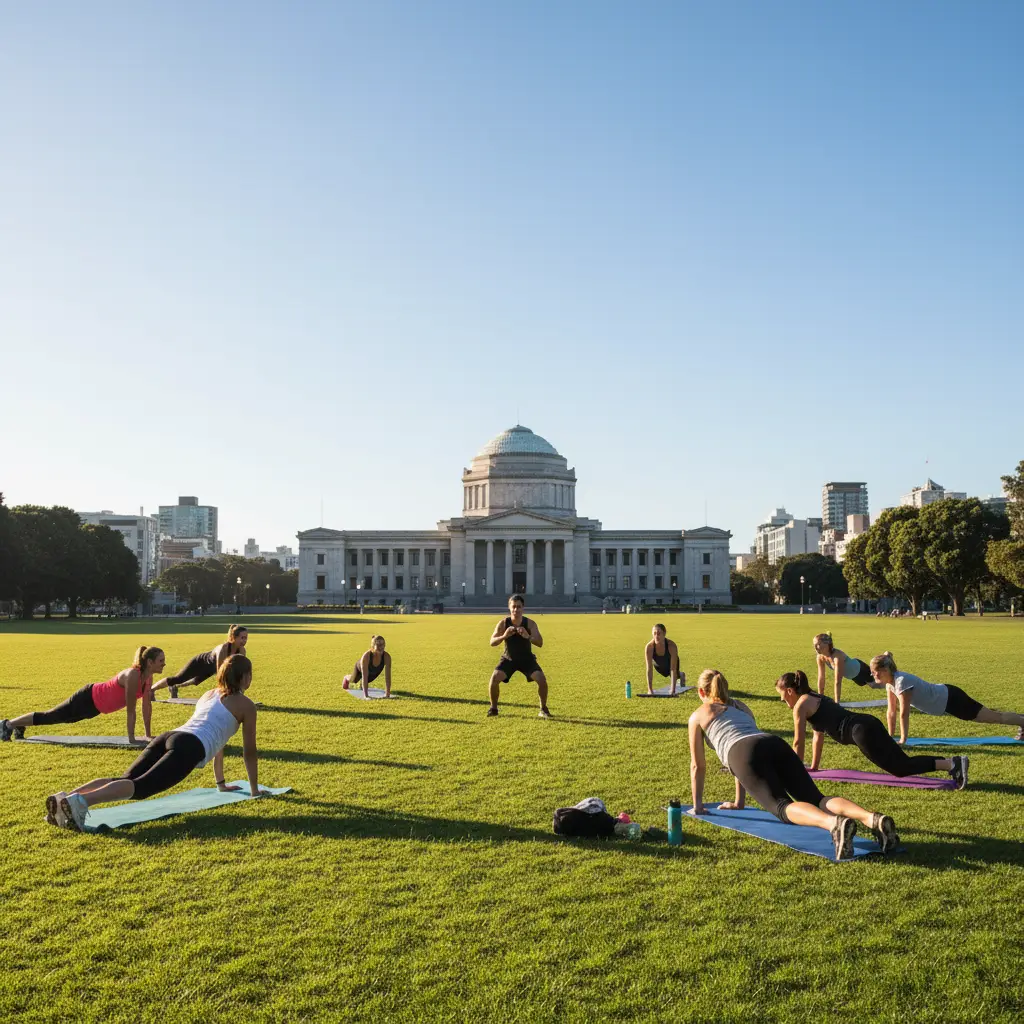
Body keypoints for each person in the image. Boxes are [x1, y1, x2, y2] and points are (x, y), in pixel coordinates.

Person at [688, 669, 899, 859]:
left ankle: (833, 824)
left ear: (701, 692)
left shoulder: (698, 715)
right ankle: (872, 819)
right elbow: (747, 744)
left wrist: (697, 806)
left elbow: (698, 765)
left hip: (743, 752)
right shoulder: (741, 707)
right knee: (817, 798)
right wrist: (738, 803)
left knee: (781, 807)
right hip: (773, 742)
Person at [46, 654, 269, 831]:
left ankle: (63, 800)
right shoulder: (246, 706)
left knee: (126, 780)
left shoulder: (209, 694)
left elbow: (219, 738)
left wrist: (220, 783)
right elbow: (249, 752)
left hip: (170, 736)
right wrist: (254, 790)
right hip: (189, 747)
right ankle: (79, 803)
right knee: (140, 788)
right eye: (250, 675)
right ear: (244, 677)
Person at [777, 670, 967, 789]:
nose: (781, 700)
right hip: (867, 723)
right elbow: (817, 735)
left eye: (782, 695)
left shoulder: (801, 706)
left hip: (861, 731)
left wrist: (795, 774)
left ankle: (952, 764)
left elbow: (798, 741)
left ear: (790, 691)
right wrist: (814, 767)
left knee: (900, 768)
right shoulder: (813, 696)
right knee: (903, 762)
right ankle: (952, 763)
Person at [2, 646, 164, 745]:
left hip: (96, 708)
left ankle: (18, 725)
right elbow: (131, 710)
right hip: (88, 697)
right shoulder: (133, 676)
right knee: (53, 716)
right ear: (150, 662)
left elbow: (146, 706)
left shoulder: (148, 678)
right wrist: (132, 738)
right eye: (161, 660)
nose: (164, 663)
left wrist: (148, 734)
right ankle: (8, 724)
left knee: (63, 719)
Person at [870, 652, 1024, 744]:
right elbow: (891, 712)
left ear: (885, 670)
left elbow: (903, 713)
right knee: (991, 715)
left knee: (993, 718)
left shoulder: (902, 681)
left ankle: (1022, 721)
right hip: (946, 700)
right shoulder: (890, 683)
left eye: (875, 672)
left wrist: (903, 739)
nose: (873, 675)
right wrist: (890, 737)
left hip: (951, 699)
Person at [487, 594, 550, 718]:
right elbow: (492, 642)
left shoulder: (530, 623)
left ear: (523, 608)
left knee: (542, 680)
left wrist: (528, 636)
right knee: (494, 679)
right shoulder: (503, 623)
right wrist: (504, 636)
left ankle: (543, 709)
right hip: (508, 658)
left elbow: (540, 642)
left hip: (527, 659)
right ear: (509, 608)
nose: (516, 610)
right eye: (514, 607)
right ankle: (493, 708)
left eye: (519, 607)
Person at [151, 624, 248, 699]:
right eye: (242, 638)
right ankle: (151, 689)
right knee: (178, 678)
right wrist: (225, 693)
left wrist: (240, 690)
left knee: (195, 681)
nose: (244, 641)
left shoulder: (242, 651)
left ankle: (174, 687)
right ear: (234, 638)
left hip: (210, 669)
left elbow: (240, 670)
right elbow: (220, 673)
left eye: (246, 638)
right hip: (200, 663)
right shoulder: (223, 649)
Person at [812, 632, 878, 703]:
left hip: (861, 669)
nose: (815, 647)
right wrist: (820, 698)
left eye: (818, 644)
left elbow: (838, 681)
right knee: (869, 684)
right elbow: (821, 678)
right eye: (814, 644)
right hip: (853, 676)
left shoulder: (837, 657)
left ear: (827, 644)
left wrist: (837, 702)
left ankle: (885, 660)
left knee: (875, 685)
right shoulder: (820, 657)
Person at [644, 623, 685, 695]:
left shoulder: (671, 646)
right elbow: (649, 669)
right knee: (665, 672)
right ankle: (680, 674)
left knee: (673, 673)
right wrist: (650, 690)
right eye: (654, 633)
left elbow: (673, 669)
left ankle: (680, 675)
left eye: (659, 633)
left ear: (664, 634)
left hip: (671, 663)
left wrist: (672, 690)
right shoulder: (649, 647)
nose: (656, 636)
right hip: (658, 665)